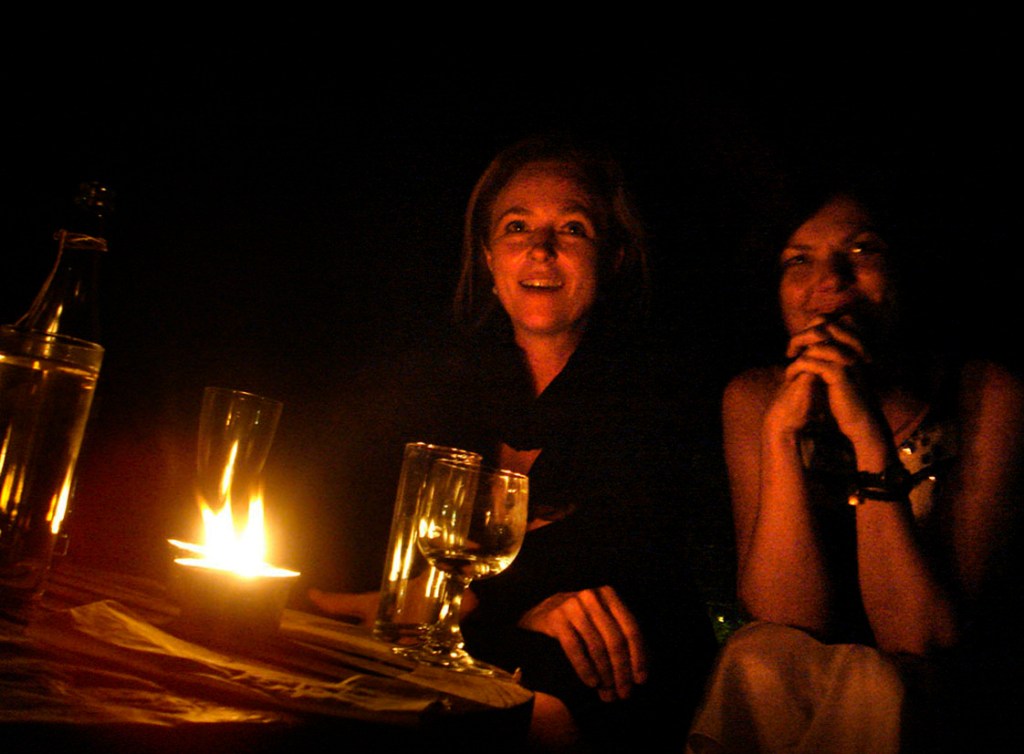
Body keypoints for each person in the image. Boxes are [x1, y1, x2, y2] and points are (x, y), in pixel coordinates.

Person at [307, 134, 718, 751]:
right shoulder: (436, 385)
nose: (540, 249)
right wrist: (493, 603)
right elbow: (365, 556)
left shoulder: (654, 395)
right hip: (461, 644)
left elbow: (618, 558)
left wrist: (461, 602)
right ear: (489, 257)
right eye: (517, 227)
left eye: (572, 229)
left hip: (610, 666)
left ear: (613, 257)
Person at [685, 168, 1024, 753]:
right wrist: (781, 437)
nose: (831, 280)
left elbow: (924, 639)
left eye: (862, 251)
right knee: (757, 655)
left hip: (941, 705)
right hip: (798, 696)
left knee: (878, 682)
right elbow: (783, 621)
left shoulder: (984, 394)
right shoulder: (755, 398)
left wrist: (868, 435)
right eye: (799, 260)